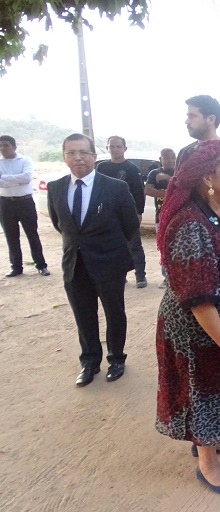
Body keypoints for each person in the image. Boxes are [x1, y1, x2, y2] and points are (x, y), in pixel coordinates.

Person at [155, 140, 220, 496]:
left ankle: (214, 439)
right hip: (201, 331)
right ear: (206, 178)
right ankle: (207, 463)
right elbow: (198, 299)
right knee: (204, 390)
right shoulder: (190, 225)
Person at [47, 133, 139, 387]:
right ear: (64, 157)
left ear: (94, 156)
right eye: (71, 153)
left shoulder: (115, 187)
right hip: (75, 265)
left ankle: (116, 359)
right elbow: (61, 225)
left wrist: (105, 245)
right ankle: (89, 362)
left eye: (83, 152)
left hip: (109, 263)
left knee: (114, 313)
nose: (78, 158)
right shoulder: (56, 188)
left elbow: (130, 225)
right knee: (83, 315)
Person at [98, 136, 148, 288]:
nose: (114, 149)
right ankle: (119, 275)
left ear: (125, 149)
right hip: (108, 215)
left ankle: (140, 276)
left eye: (118, 146)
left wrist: (139, 212)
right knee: (113, 246)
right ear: (107, 148)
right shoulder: (101, 168)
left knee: (134, 245)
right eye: (111, 146)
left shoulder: (131, 169)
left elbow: (139, 192)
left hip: (128, 213)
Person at [0, 135, 50, 278]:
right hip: (5, 203)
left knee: (32, 235)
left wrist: (4, 179)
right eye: (1, 145)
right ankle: (16, 267)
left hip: (25, 202)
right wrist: (17, 179)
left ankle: (41, 265)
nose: (3, 148)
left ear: (14, 147)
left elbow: (27, 177)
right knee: (11, 236)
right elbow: (20, 179)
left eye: (6, 145)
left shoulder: (25, 160)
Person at [145, 147, 176, 288]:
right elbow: (147, 190)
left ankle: (176, 277)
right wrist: (168, 194)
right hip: (161, 217)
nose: (169, 160)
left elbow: (182, 188)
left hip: (178, 216)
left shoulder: (180, 172)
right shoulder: (154, 173)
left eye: (172, 157)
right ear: (160, 159)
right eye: (166, 157)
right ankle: (166, 277)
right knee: (164, 249)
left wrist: (167, 179)